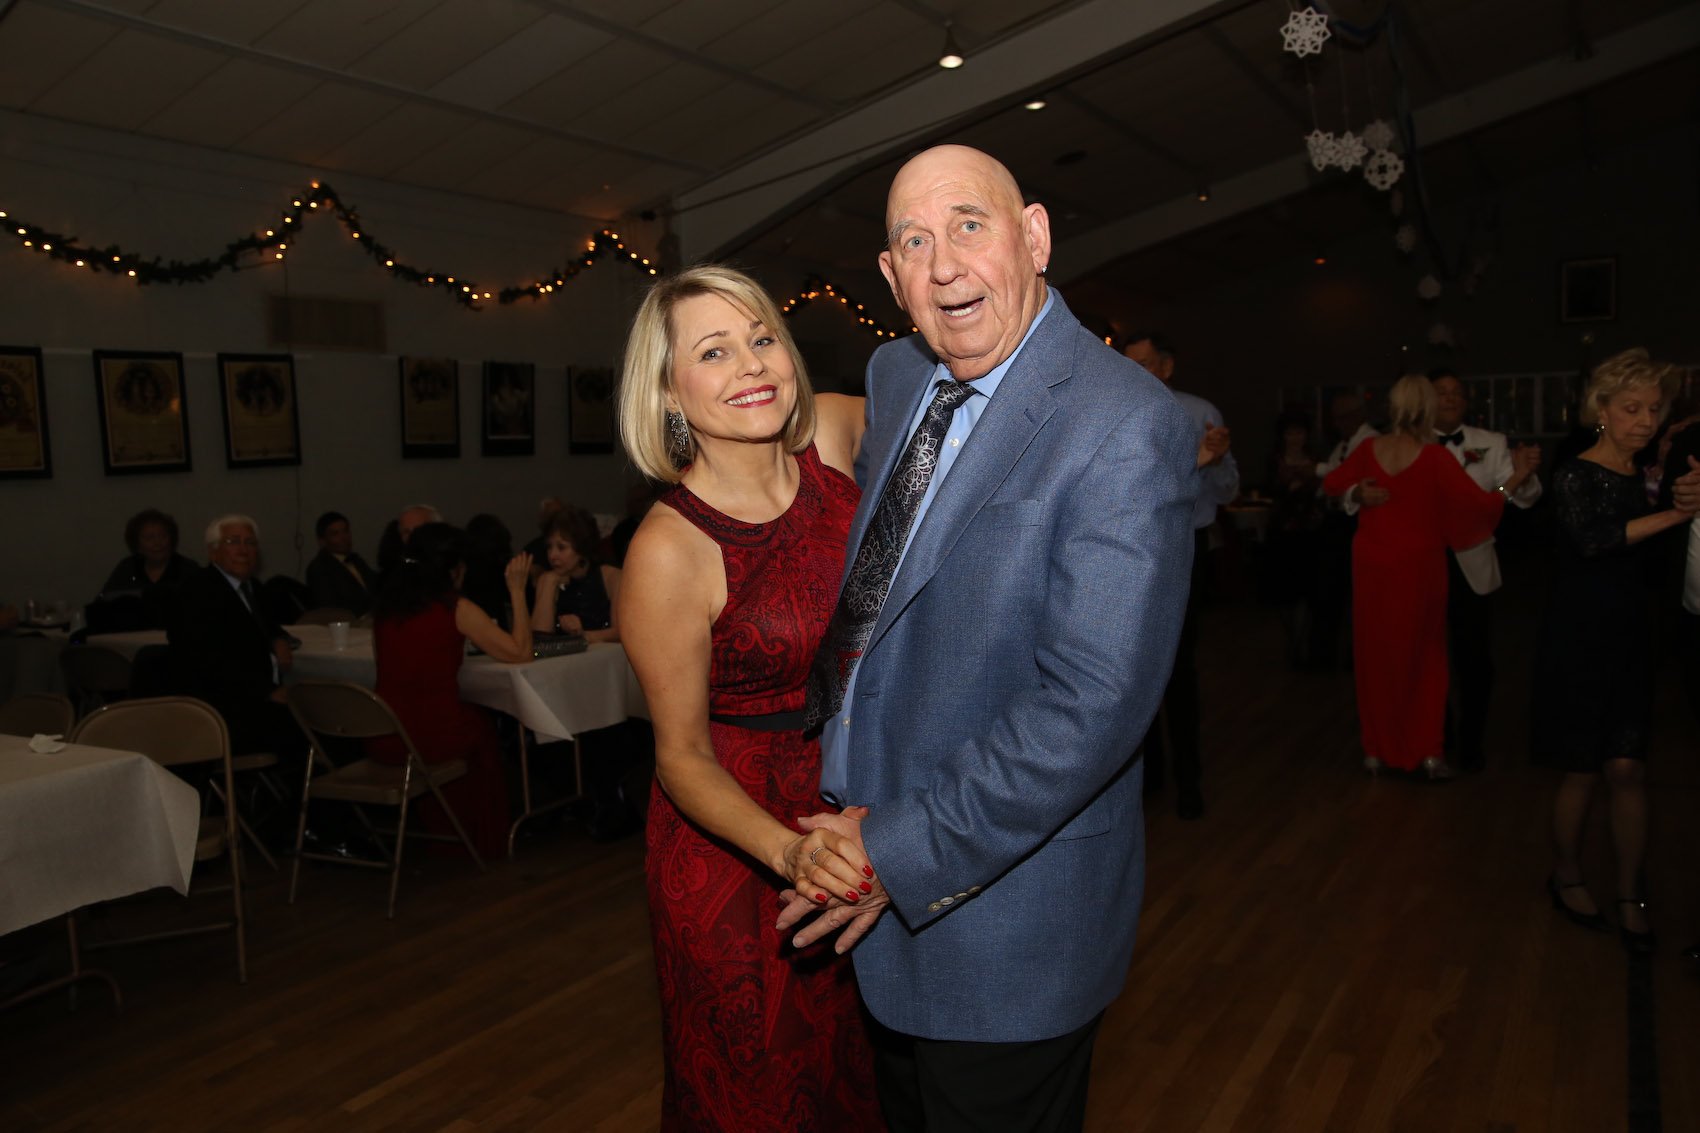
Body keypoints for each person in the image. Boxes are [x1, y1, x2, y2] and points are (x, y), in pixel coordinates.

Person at [777, 144, 1195, 1132]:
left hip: (1007, 917)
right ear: (890, 277)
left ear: (1034, 236)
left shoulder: (1124, 421)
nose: (945, 266)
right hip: (863, 873)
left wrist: (891, 848)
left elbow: (1089, 709)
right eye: (914, 243)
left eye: (968, 225)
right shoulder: (894, 374)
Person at [616, 264, 878, 1132]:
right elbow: (680, 757)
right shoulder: (670, 548)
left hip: (852, 808)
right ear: (668, 391)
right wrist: (789, 852)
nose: (751, 365)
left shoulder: (832, 437)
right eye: (714, 352)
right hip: (737, 845)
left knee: (858, 1079)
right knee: (759, 1095)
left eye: (762, 338)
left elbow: (959, 408)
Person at [1530, 350, 1696, 953]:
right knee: (1581, 769)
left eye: (1654, 408)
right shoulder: (1575, 473)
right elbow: (1593, 539)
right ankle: (1567, 874)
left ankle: (1630, 893)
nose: (1645, 420)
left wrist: (1679, 500)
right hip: (1579, 639)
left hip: (1631, 636)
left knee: (1628, 768)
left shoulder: (1650, 475)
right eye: (1631, 408)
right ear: (1601, 409)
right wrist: (1676, 514)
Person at [1323, 375, 1521, 779]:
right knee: (1426, 656)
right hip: (1418, 566)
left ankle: (1377, 750)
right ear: (1427, 409)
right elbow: (1479, 508)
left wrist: (1356, 491)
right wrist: (1515, 480)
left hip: (1373, 564)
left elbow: (1331, 483)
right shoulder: (1434, 458)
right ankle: (1427, 753)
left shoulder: (1368, 449)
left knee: (1375, 654)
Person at [1120, 331, 1235, 819]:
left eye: (1144, 364)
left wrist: (1216, 460)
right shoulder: (1113, 410)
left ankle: (1190, 783)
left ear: (1166, 367)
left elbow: (1228, 491)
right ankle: (1149, 778)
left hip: (1188, 550)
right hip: (1131, 554)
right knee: (1131, 668)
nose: (1135, 373)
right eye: (1127, 363)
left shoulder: (1199, 411)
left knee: (1180, 668)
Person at [370, 522, 534, 862]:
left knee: (469, 718)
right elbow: (519, 652)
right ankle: (479, 835)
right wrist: (517, 590)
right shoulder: (453, 607)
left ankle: (442, 830)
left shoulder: (385, 609)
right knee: (481, 725)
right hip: (432, 737)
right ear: (454, 569)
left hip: (384, 734)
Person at [1428, 368, 1543, 771]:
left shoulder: (1490, 442)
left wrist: (1524, 474)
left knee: (1474, 657)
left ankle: (1472, 740)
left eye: (1456, 392)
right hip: (1423, 561)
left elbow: (1520, 497)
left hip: (1472, 560)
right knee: (1427, 655)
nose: (1449, 398)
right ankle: (1438, 732)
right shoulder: (1410, 442)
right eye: (1441, 392)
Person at [167, 515, 298, 757]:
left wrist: (278, 639)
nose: (243, 550)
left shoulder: (253, 588)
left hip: (253, 699)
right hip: (225, 708)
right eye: (233, 542)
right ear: (213, 551)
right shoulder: (196, 592)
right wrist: (266, 691)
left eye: (250, 543)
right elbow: (204, 659)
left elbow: (265, 625)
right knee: (322, 724)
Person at [93, 508, 197, 630]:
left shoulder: (187, 568)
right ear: (137, 544)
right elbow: (103, 603)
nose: (158, 543)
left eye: (163, 536)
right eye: (149, 538)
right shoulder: (127, 567)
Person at [530, 504, 620, 642]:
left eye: (561, 547)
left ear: (582, 547)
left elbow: (621, 632)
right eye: (549, 547)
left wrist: (583, 636)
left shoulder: (611, 576)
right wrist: (549, 584)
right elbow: (539, 641)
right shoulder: (547, 579)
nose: (552, 555)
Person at [303, 510, 375, 617]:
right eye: (335, 534)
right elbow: (330, 607)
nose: (344, 538)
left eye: (346, 531)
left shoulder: (357, 560)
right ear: (322, 541)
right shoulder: (319, 569)